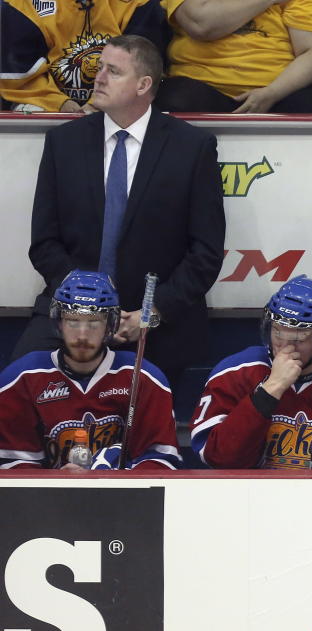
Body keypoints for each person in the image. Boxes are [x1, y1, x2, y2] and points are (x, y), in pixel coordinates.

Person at [16, 35, 226, 392]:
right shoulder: (63, 142)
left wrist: (153, 311)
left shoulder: (192, 148)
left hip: (157, 320)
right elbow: (45, 242)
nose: (98, 78)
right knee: (17, 386)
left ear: (144, 85)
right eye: (100, 69)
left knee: (140, 420)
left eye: (113, 71)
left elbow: (205, 251)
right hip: (69, 311)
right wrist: (84, 306)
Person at [0, 271, 180, 470]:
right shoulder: (21, 377)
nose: (82, 335)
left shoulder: (143, 377)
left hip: (122, 498)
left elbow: (160, 462)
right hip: (48, 499)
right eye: (73, 322)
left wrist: (109, 479)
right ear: (58, 322)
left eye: (94, 323)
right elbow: (13, 466)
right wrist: (55, 483)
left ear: (110, 325)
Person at [190, 276, 312, 469]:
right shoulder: (234, 373)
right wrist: (269, 391)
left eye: (298, 338)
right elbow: (219, 458)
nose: (284, 346)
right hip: (247, 495)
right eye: (277, 332)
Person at [155, 0, 312, 112]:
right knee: (176, 98)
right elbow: (200, 24)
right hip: (201, 87)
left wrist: (272, 93)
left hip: (277, 91)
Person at [0, 0, 167, 112]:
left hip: (119, 102)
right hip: (45, 102)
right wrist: (61, 104)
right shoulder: (22, 5)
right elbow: (19, 76)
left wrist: (100, 105)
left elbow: (142, 65)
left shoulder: (138, 4)